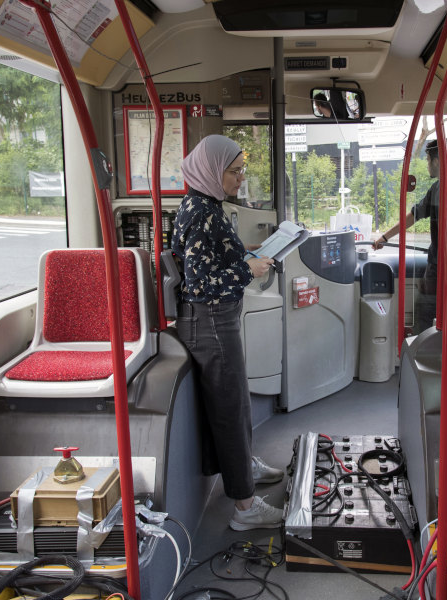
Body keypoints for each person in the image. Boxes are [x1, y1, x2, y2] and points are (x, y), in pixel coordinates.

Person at [172, 134, 285, 531]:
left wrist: (245, 248)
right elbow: (200, 282)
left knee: (235, 403)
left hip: (215, 319)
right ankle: (244, 507)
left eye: (241, 171)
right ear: (211, 170)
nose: (240, 179)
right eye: (234, 172)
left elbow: (209, 254)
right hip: (211, 319)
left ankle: (244, 469)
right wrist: (246, 270)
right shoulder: (202, 212)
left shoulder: (203, 205)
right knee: (229, 409)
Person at [372, 138, 447, 332]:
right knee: (424, 317)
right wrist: (384, 238)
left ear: (437, 161)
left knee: (431, 321)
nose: (427, 164)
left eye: (428, 159)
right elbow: (414, 216)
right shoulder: (437, 189)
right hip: (436, 268)